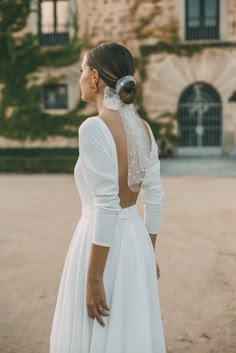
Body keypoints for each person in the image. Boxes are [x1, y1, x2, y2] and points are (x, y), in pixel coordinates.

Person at [50, 42, 166, 353]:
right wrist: (148, 250)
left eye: (81, 70)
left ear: (95, 78)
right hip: (136, 242)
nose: (79, 77)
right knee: (128, 330)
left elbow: (105, 206)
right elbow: (154, 198)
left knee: (95, 329)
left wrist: (94, 277)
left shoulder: (93, 128)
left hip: (100, 244)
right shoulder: (145, 130)